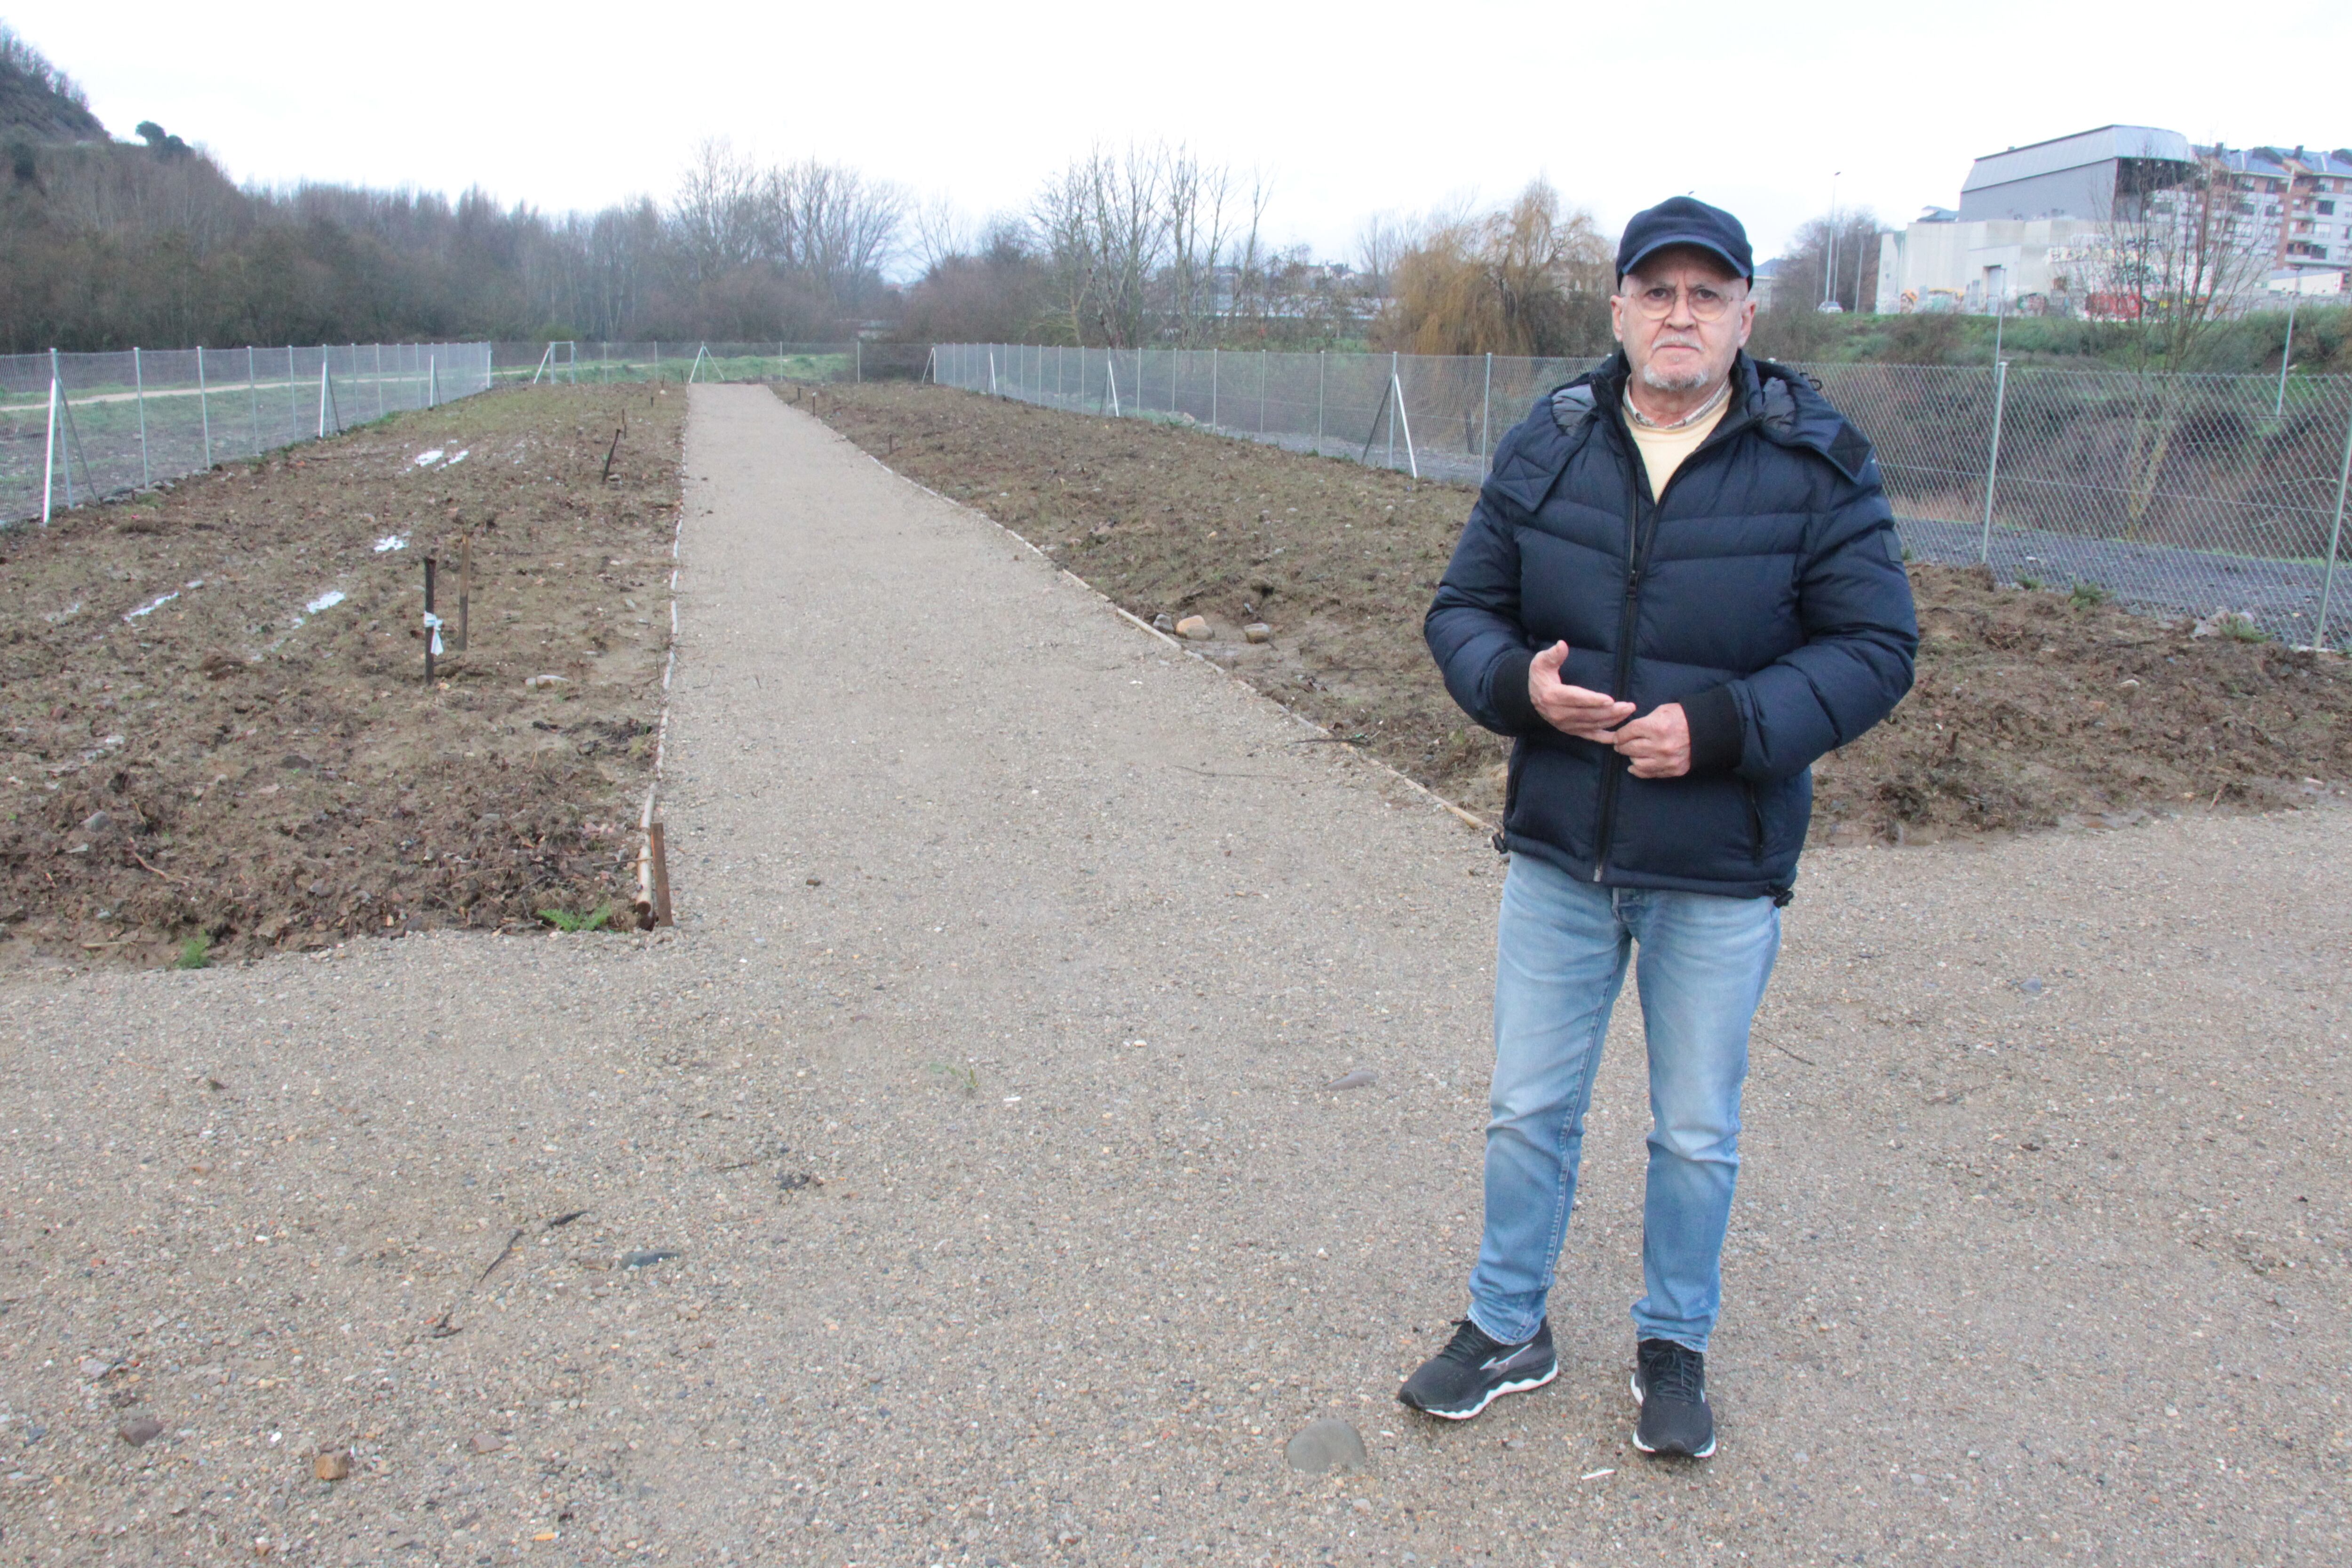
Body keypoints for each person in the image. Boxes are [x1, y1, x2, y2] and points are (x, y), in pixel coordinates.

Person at [1403, 196, 1918, 1458]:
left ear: (1747, 314)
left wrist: (1728, 728)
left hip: (1719, 867)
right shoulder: (1553, 444)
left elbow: (1877, 647)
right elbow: (1462, 611)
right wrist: (1517, 685)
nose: (1680, 315)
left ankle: (1674, 1341)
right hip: (1562, 851)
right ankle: (1507, 1323)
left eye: (1707, 294)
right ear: (1621, 309)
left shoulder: (1818, 460)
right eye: (1658, 291)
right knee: (1529, 1108)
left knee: (1694, 1128)